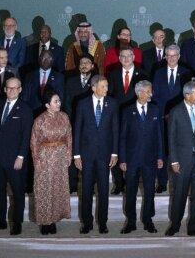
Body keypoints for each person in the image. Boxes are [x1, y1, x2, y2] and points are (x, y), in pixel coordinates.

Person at [0, 76, 32, 235]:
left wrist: (21, 156)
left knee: (18, 192)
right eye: (8, 88)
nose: (11, 90)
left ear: (20, 89)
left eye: (14, 88)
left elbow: (26, 136)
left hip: (15, 159)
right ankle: (0, 222)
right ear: (4, 89)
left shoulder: (25, 109)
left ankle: (17, 223)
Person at [73, 75, 119, 234]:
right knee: (86, 190)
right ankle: (87, 222)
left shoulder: (112, 104)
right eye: (103, 86)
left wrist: (114, 152)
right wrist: (76, 155)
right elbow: (77, 129)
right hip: (86, 155)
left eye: (107, 86)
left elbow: (115, 130)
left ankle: (103, 222)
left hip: (105, 155)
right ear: (93, 87)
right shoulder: (82, 104)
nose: (106, 89)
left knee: (104, 189)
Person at [166, 82, 195, 236]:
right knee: (179, 194)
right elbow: (171, 138)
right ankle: (175, 225)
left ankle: (194, 227)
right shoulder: (175, 111)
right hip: (182, 161)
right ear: (187, 95)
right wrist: (174, 160)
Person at [119, 80, 164, 234]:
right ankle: (130, 221)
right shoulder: (127, 110)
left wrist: (160, 156)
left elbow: (159, 135)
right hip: (131, 159)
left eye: (151, 91)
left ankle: (148, 219)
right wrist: (123, 159)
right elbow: (123, 137)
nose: (151, 94)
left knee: (150, 191)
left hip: (150, 159)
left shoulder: (155, 109)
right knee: (130, 190)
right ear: (140, 92)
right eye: (148, 91)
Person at [30, 88, 72, 235]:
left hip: (60, 159)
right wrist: (37, 161)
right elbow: (34, 142)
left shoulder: (64, 117)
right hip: (45, 159)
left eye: (59, 100)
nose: (59, 103)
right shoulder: (39, 120)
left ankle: (53, 220)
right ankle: (45, 222)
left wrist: (68, 156)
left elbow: (69, 138)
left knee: (57, 189)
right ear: (47, 105)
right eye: (56, 101)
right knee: (44, 190)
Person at [108, 47, 148, 195]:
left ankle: (132, 181)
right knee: (116, 148)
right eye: (122, 56)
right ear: (119, 58)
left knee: (132, 149)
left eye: (128, 56)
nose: (126, 59)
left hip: (135, 118)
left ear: (133, 57)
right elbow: (110, 96)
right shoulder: (112, 73)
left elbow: (145, 96)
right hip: (117, 118)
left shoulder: (142, 73)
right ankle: (119, 183)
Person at [153, 45, 190, 194]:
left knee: (179, 150)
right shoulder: (158, 73)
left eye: (174, 55)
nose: (172, 58)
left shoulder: (186, 73)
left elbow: (188, 96)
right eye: (169, 55)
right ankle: (162, 182)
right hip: (162, 118)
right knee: (162, 150)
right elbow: (154, 97)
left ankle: (179, 181)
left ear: (179, 56)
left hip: (180, 119)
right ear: (165, 57)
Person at [22, 49, 64, 114]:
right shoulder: (29, 76)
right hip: (32, 111)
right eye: (44, 57)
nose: (46, 60)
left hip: (51, 113)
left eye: (49, 58)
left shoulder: (59, 77)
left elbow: (60, 97)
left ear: (52, 60)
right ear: (39, 59)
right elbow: (25, 96)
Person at [65, 56, 96, 120]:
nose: (84, 64)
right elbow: (67, 102)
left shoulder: (97, 81)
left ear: (92, 66)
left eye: (87, 62)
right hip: (73, 118)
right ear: (79, 67)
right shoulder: (70, 81)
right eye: (82, 63)